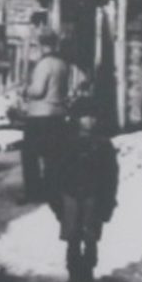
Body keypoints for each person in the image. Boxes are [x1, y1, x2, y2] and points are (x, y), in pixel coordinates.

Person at [46, 96, 119, 282]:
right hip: (70, 195)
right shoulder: (63, 142)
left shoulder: (103, 145)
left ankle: (88, 274)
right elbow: (53, 172)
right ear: (76, 118)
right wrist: (55, 199)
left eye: (93, 116)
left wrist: (108, 201)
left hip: (93, 197)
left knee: (91, 237)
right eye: (85, 116)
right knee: (73, 238)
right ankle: (74, 275)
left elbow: (110, 175)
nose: (90, 121)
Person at [21, 28, 87, 203]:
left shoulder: (44, 64)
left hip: (39, 116)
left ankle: (33, 193)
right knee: (53, 156)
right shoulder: (63, 64)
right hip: (58, 115)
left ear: (42, 45)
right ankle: (52, 191)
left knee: (30, 156)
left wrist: (25, 90)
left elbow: (38, 91)